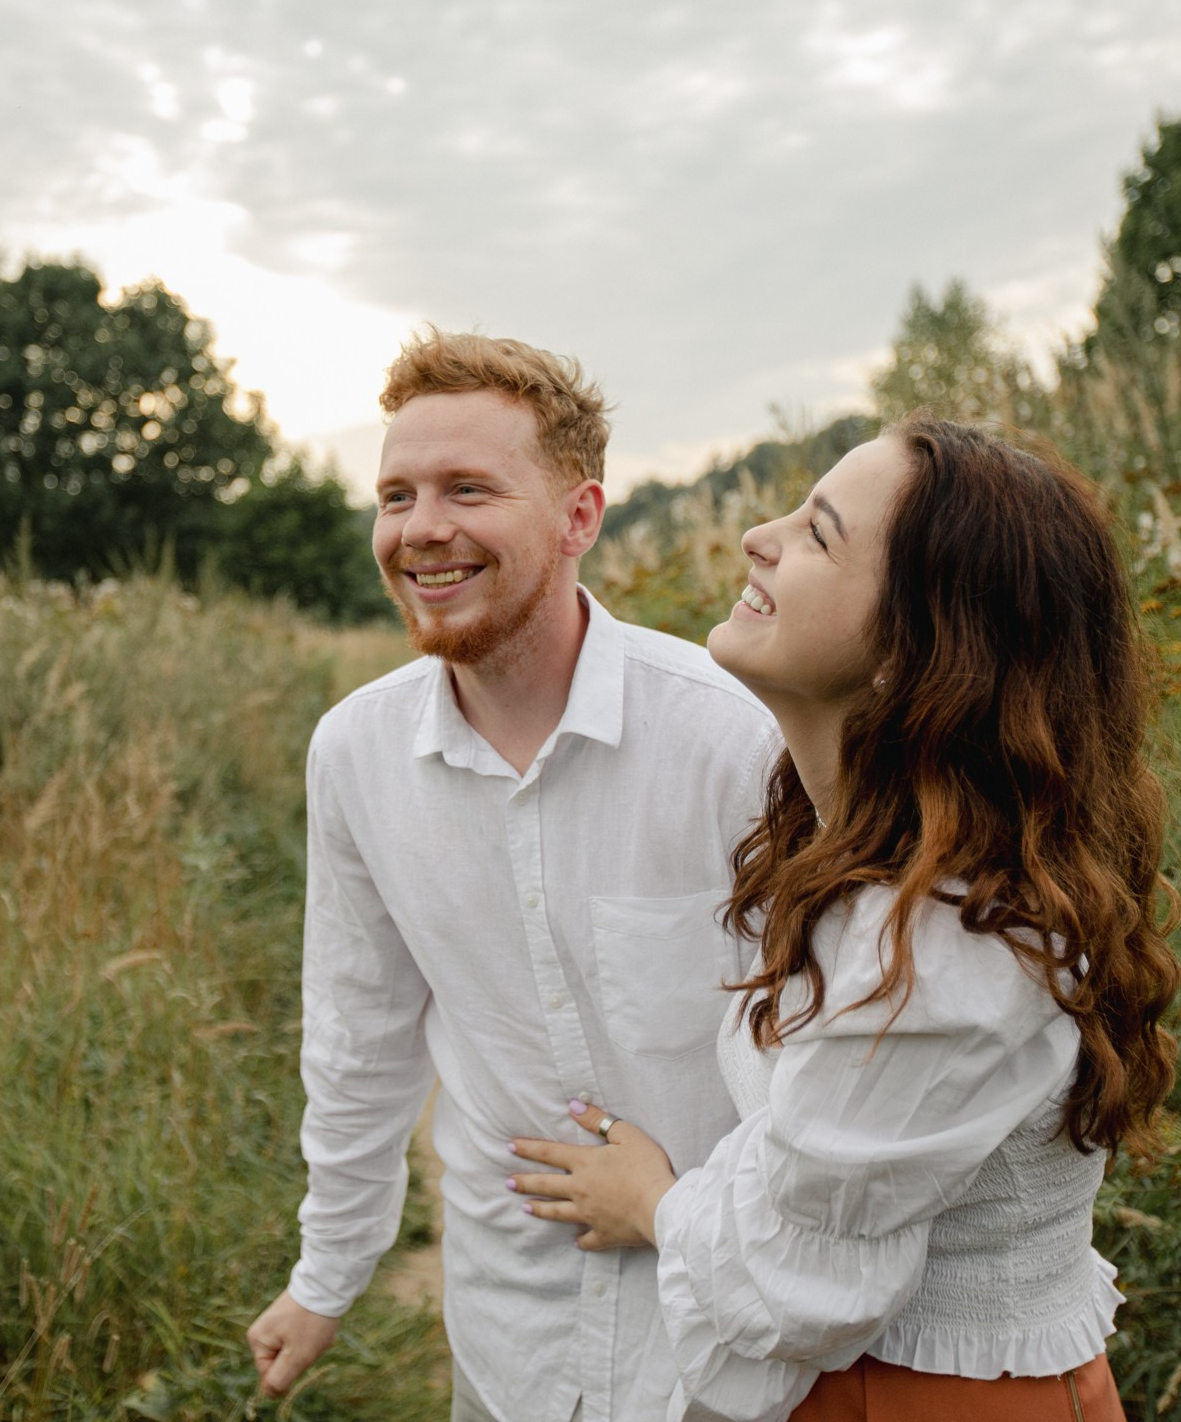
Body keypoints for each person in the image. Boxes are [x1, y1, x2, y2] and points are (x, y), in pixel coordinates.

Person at [508, 416, 1181, 1421]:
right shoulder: (872, 860)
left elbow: (794, 1275)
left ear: (918, 653)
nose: (759, 536)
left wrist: (650, 1198)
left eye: (820, 534)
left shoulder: (949, 949)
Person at [246, 331, 780, 1422]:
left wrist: (695, 1216)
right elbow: (359, 1035)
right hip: (510, 1343)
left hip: (728, 1345)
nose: (420, 528)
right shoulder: (354, 756)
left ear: (580, 516)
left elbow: (827, 1050)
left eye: (467, 489)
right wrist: (329, 1273)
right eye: (396, 495)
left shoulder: (739, 742)